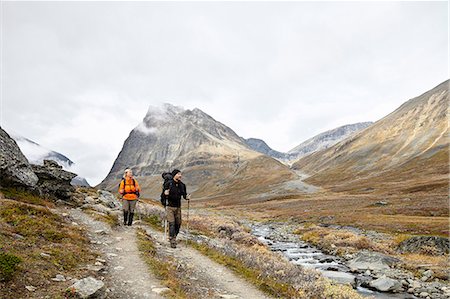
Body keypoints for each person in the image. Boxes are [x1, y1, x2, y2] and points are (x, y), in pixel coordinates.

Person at [162, 169, 190, 248]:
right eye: (178, 174)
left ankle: (174, 236)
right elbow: (163, 195)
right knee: (172, 223)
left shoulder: (182, 185)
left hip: (178, 207)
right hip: (170, 207)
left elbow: (184, 195)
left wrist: (187, 197)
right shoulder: (168, 184)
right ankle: (172, 240)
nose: (180, 175)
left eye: (180, 174)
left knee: (178, 223)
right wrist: (165, 194)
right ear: (174, 175)